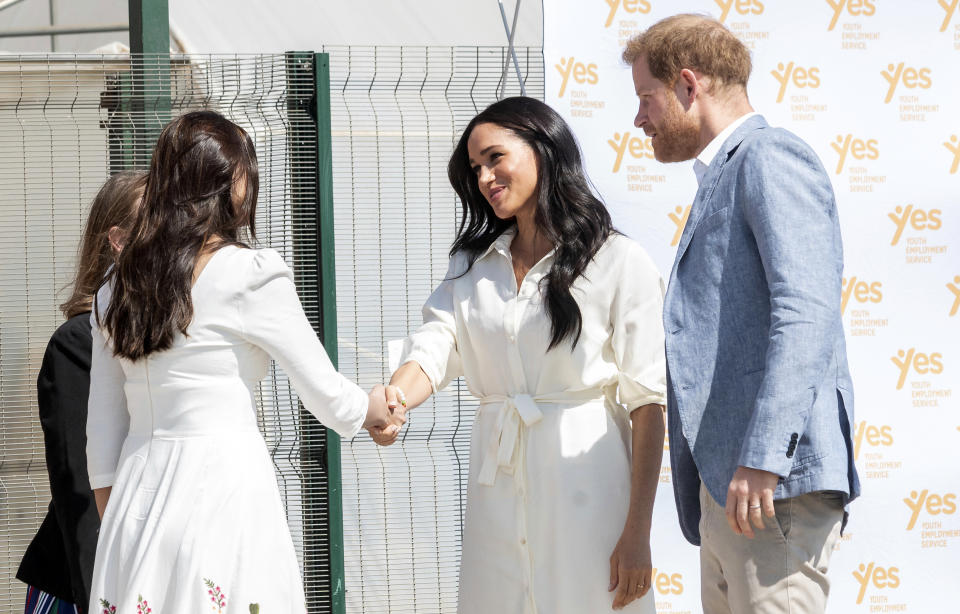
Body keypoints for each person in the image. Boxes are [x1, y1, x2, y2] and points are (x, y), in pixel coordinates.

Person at [85, 110, 398, 613]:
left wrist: (122, 526)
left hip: (136, 492)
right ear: (231, 183)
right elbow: (323, 389)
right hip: (223, 487)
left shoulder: (116, 287)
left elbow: (101, 428)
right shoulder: (251, 273)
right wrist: (373, 409)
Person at [376, 96, 666, 613]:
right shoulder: (472, 263)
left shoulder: (619, 260)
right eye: (475, 167)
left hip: (588, 487)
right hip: (498, 491)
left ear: (543, 149)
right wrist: (397, 397)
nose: (485, 177)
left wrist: (638, 532)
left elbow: (648, 403)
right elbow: (436, 345)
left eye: (495, 158)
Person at [622, 14, 860, 614]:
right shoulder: (725, 172)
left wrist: (763, 457)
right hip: (736, 488)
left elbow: (805, 311)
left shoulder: (770, 157)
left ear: (686, 85)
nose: (639, 119)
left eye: (646, 98)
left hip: (769, 485)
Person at [17, 171, 146, 614]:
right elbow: (80, 489)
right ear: (118, 239)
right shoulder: (77, 344)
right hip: (84, 586)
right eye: (157, 223)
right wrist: (102, 601)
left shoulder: (173, 342)